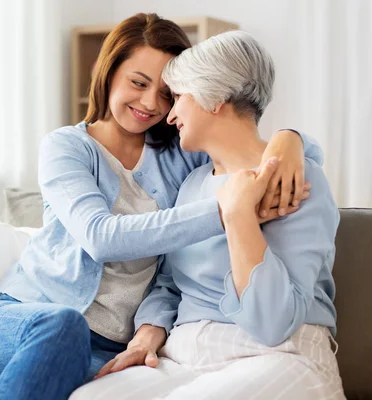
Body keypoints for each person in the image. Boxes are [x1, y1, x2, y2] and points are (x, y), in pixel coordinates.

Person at [0, 14, 322, 400]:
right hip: (25, 318)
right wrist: (226, 209)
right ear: (107, 72)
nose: (152, 103)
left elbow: (247, 151)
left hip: (108, 347)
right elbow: (100, 237)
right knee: (62, 325)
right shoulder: (66, 148)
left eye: (168, 93)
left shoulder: (182, 158)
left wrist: (293, 139)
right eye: (138, 83)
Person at [73, 30, 344, 400]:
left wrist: (239, 217)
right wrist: (147, 334)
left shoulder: (297, 179)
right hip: (184, 356)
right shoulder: (193, 183)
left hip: (277, 353)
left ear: (215, 97)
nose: (168, 115)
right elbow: (169, 283)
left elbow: (274, 322)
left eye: (179, 97)